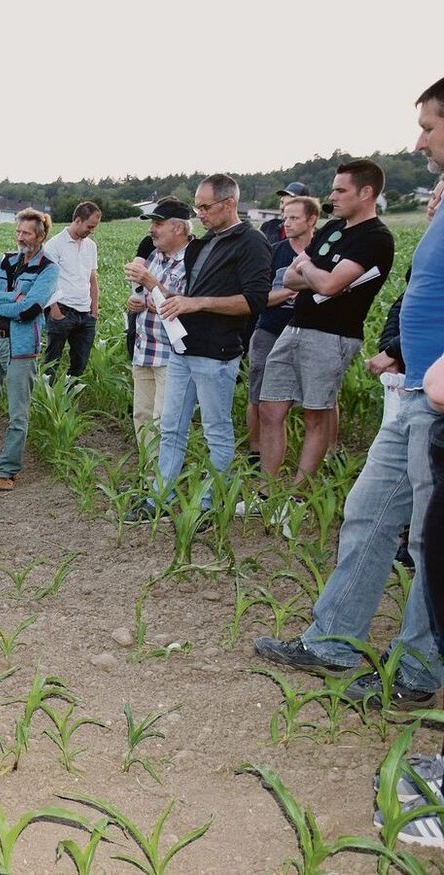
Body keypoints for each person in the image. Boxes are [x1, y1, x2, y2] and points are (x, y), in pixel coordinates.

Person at [254, 76, 444, 711]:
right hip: (411, 387)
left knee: (429, 537)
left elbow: (327, 285)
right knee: (367, 514)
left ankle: (417, 671)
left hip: (437, 393)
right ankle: (332, 640)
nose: (418, 140)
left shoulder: (376, 234)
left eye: (429, 126)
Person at [125, 173, 270, 520]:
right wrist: (164, 293)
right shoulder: (209, 242)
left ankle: (209, 503)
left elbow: (255, 300)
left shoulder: (251, 242)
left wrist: (197, 303)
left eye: (206, 207)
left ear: (230, 203)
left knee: (216, 431)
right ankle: (159, 498)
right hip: (183, 350)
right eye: (198, 207)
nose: (200, 214)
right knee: (171, 427)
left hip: (217, 353)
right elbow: (186, 299)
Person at [257, 160, 395, 486]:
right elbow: (292, 276)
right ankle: (266, 491)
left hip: (332, 336)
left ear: (366, 192)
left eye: (340, 190)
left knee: (315, 415)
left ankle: (297, 497)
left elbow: (330, 287)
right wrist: (315, 274)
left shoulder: (376, 238)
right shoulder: (332, 229)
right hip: (294, 326)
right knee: (269, 409)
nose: (332, 196)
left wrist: (315, 274)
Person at [0, 209, 58, 491]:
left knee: (18, 412)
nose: (20, 237)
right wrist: (10, 298)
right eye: (18, 231)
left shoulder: (49, 269)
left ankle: (7, 470)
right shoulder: (5, 260)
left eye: (26, 233)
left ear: (41, 236)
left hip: (20, 348)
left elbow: (31, 308)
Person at [245, 196, 320, 469]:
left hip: (311, 332)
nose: (286, 223)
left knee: (321, 399)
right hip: (271, 329)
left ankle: (331, 451)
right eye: (285, 217)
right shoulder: (274, 252)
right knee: (258, 393)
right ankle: (255, 451)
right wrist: (294, 289)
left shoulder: (323, 253)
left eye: (294, 218)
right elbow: (259, 298)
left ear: (312, 220)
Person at [123, 199, 194, 441]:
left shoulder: (194, 261)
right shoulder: (154, 256)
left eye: (158, 223)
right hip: (144, 349)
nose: (151, 229)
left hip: (171, 355)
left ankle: (162, 478)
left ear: (178, 228)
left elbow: (187, 303)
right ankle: (147, 474)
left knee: (164, 421)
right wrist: (135, 301)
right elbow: (144, 296)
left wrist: (149, 282)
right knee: (142, 416)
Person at [42, 201, 102, 379]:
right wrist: (55, 311)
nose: (91, 231)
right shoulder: (55, 245)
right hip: (62, 309)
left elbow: (92, 279)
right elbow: (47, 280)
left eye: (94, 227)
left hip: (86, 314)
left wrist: (94, 310)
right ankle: (48, 400)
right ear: (77, 220)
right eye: (90, 226)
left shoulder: (90, 246)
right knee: (52, 362)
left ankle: (69, 399)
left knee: (80, 363)